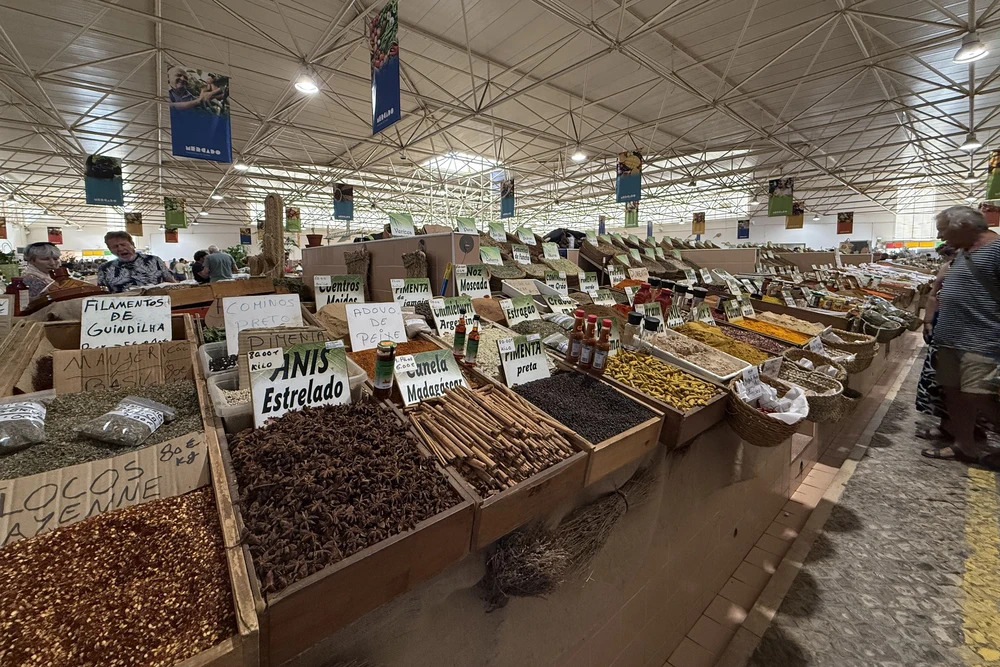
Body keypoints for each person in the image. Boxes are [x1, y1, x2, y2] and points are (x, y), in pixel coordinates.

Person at [922, 206, 1000, 464]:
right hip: (950, 338)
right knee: (954, 393)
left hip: (983, 339)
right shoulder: (963, 253)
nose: (942, 238)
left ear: (964, 226)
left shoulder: (997, 250)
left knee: (980, 393)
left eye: (944, 231)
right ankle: (964, 444)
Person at [97, 231, 176, 293]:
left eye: (123, 244)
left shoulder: (154, 260)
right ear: (110, 250)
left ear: (132, 245)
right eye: (115, 246)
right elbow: (102, 293)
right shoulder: (105, 268)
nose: (120, 249)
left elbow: (172, 283)